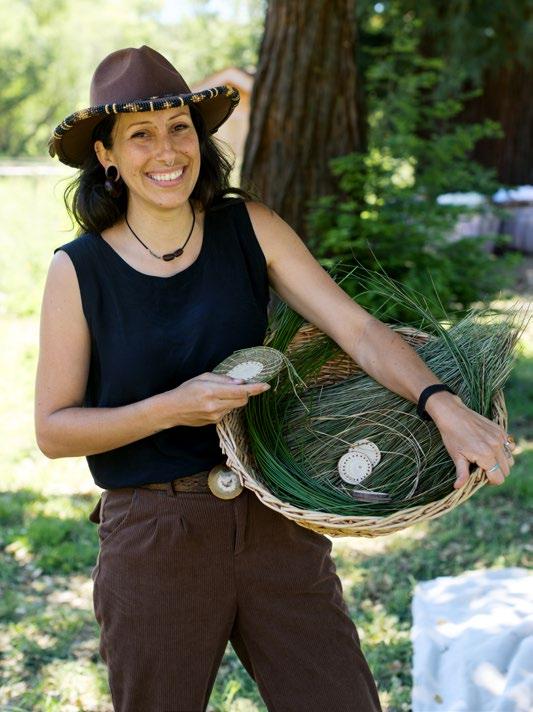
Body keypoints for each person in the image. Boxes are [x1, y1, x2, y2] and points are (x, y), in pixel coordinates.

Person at [35, 45, 515, 712]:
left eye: (179, 127)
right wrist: (172, 407)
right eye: (140, 134)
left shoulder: (248, 228)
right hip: (154, 535)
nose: (167, 150)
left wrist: (443, 404)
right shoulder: (78, 270)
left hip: (274, 516)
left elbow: (358, 331)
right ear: (106, 155)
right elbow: (54, 431)